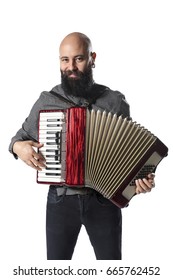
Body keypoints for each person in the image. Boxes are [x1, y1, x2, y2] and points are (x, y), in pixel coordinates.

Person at [9, 32, 155, 260]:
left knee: (111, 267)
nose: (71, 67)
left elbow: (130, 155)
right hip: (60, 200)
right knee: (56, 269)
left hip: (104, 201)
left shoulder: (114, 102)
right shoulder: (47, 101)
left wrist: (140, 182)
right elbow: (18, 138)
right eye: (64, 60)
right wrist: (19, 148)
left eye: (78, 58)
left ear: (92, 58)